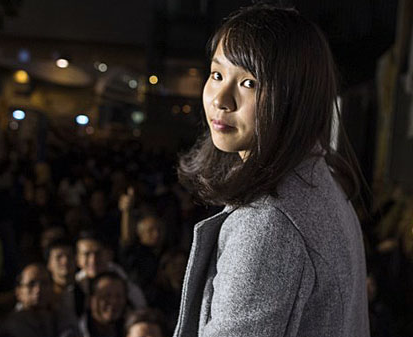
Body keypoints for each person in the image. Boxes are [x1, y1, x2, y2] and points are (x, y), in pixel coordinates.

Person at [174, 4, 368, 337]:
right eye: (217, 74)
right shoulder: (315, 175)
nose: (221, 98)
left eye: (249, 83)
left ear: (295, 98)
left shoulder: (268, 226)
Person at [78, 272, 128, 337]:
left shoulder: (131, 331)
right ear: (90, 300)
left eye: (119, 296)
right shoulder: (75, 332)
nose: (113, 301)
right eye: (106, 296)